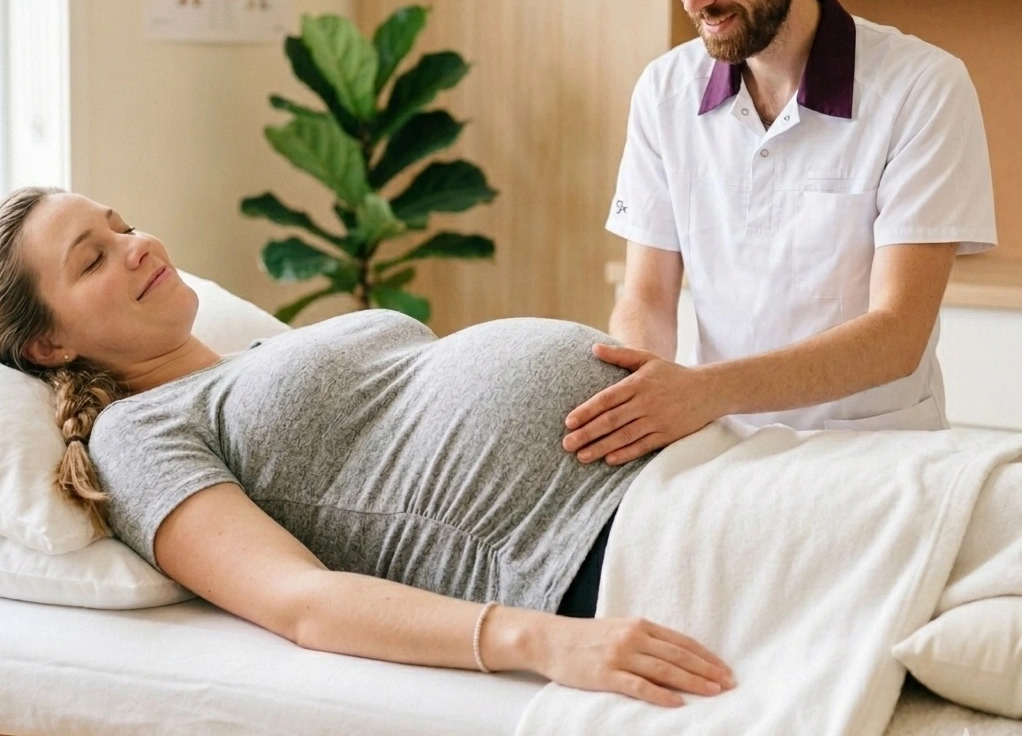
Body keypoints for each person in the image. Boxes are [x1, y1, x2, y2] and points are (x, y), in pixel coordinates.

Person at [0, 187, 734, 710]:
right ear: (49, 342)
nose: (138, 248)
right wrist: (538, 643)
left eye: (123, 227)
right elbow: (300, 602)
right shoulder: (135, 435)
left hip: (696, 455)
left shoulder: (251, 355)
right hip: (590, 535)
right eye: (92, 260)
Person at [562, 0, 996, 468]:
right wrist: (639, 401)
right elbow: (647, 298)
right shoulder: (664, 91)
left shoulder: (923, 88)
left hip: (874, 464)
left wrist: (703, 391)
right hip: (717, 459)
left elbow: (896, 335)